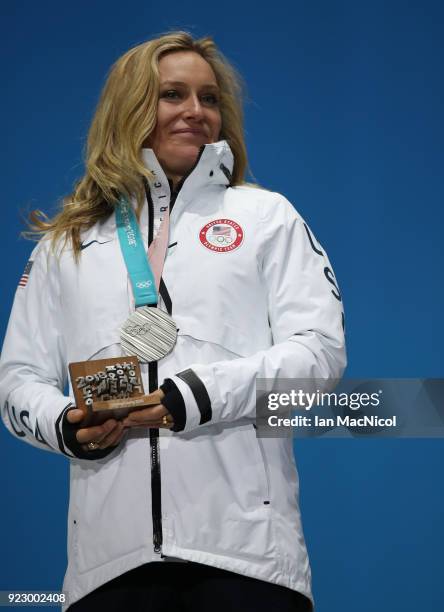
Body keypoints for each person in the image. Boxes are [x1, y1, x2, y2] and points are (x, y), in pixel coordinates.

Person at [0, 31, 346, 611]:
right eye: (172, 95)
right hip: (108, 569)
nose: (195, 112)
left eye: (209, 99)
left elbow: (319, 356)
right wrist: (66, 425)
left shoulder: (266, 217)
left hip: (247, 558)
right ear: (130, 108)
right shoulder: (69, 244)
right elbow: (15, 381)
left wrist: (200, 394)